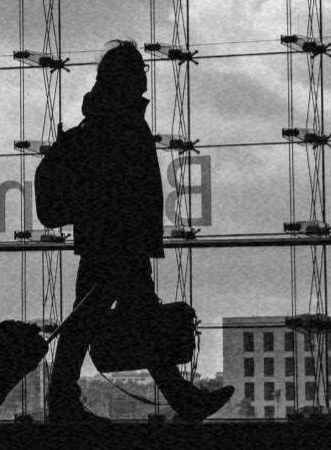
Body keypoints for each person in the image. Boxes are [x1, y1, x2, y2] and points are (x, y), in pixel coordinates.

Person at [46, 40, 234, 424]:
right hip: (119, 243)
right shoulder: (119, 122)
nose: (145, 76)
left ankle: (65, 400)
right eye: (140, 69)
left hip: (108, 241)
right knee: (117, 322)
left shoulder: (105, 118)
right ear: (126, 78)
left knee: (102, 322)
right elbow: (125, 189)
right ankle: (67, 400)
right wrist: (136, 237)